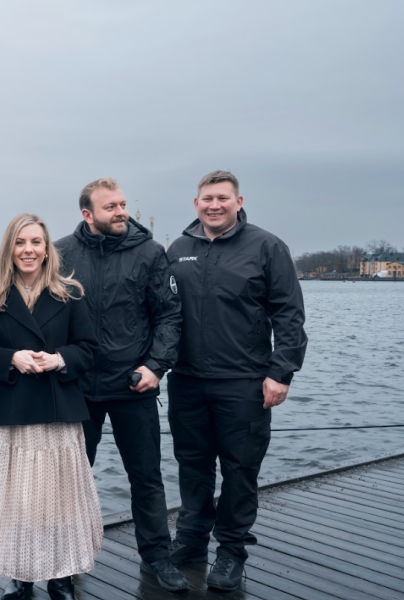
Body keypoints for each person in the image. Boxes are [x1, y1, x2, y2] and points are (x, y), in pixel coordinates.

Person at [166, 170, 307, 591]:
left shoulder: (266, 247)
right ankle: (191, 539)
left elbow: (289, 315)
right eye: (207, 198)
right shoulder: (179, 249)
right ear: (196, 204)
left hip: (244, 381)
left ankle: (231, 551)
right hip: (186, 381)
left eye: (223, 198)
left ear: (238, 202)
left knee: (240, 469)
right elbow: (162, 313)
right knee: (192, 465)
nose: (215, 205)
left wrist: (281, 372)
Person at [54, 179, 186, 593]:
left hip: (134, 385)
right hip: (77, 386)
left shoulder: (150, 253)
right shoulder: (60, 253)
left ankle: (158, 556)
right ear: (87, 214)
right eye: (110, 206)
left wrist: (156, 367)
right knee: (72, 481)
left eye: (123, 204)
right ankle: (65, 561)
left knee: (146, 477)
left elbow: (169, 315)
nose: (121, 211)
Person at [0, 214, 102, 600]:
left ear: (47, 250)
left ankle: (61, 576)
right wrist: (12, 357)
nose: (28, 250)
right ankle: (21, 576)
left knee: (60, 500)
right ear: (9, 248)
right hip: (14, 411)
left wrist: (59, 359)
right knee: (19, 502)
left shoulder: (69, 293)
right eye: (20, 242)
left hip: (58, 411)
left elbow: (89, 350)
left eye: (36, 242)